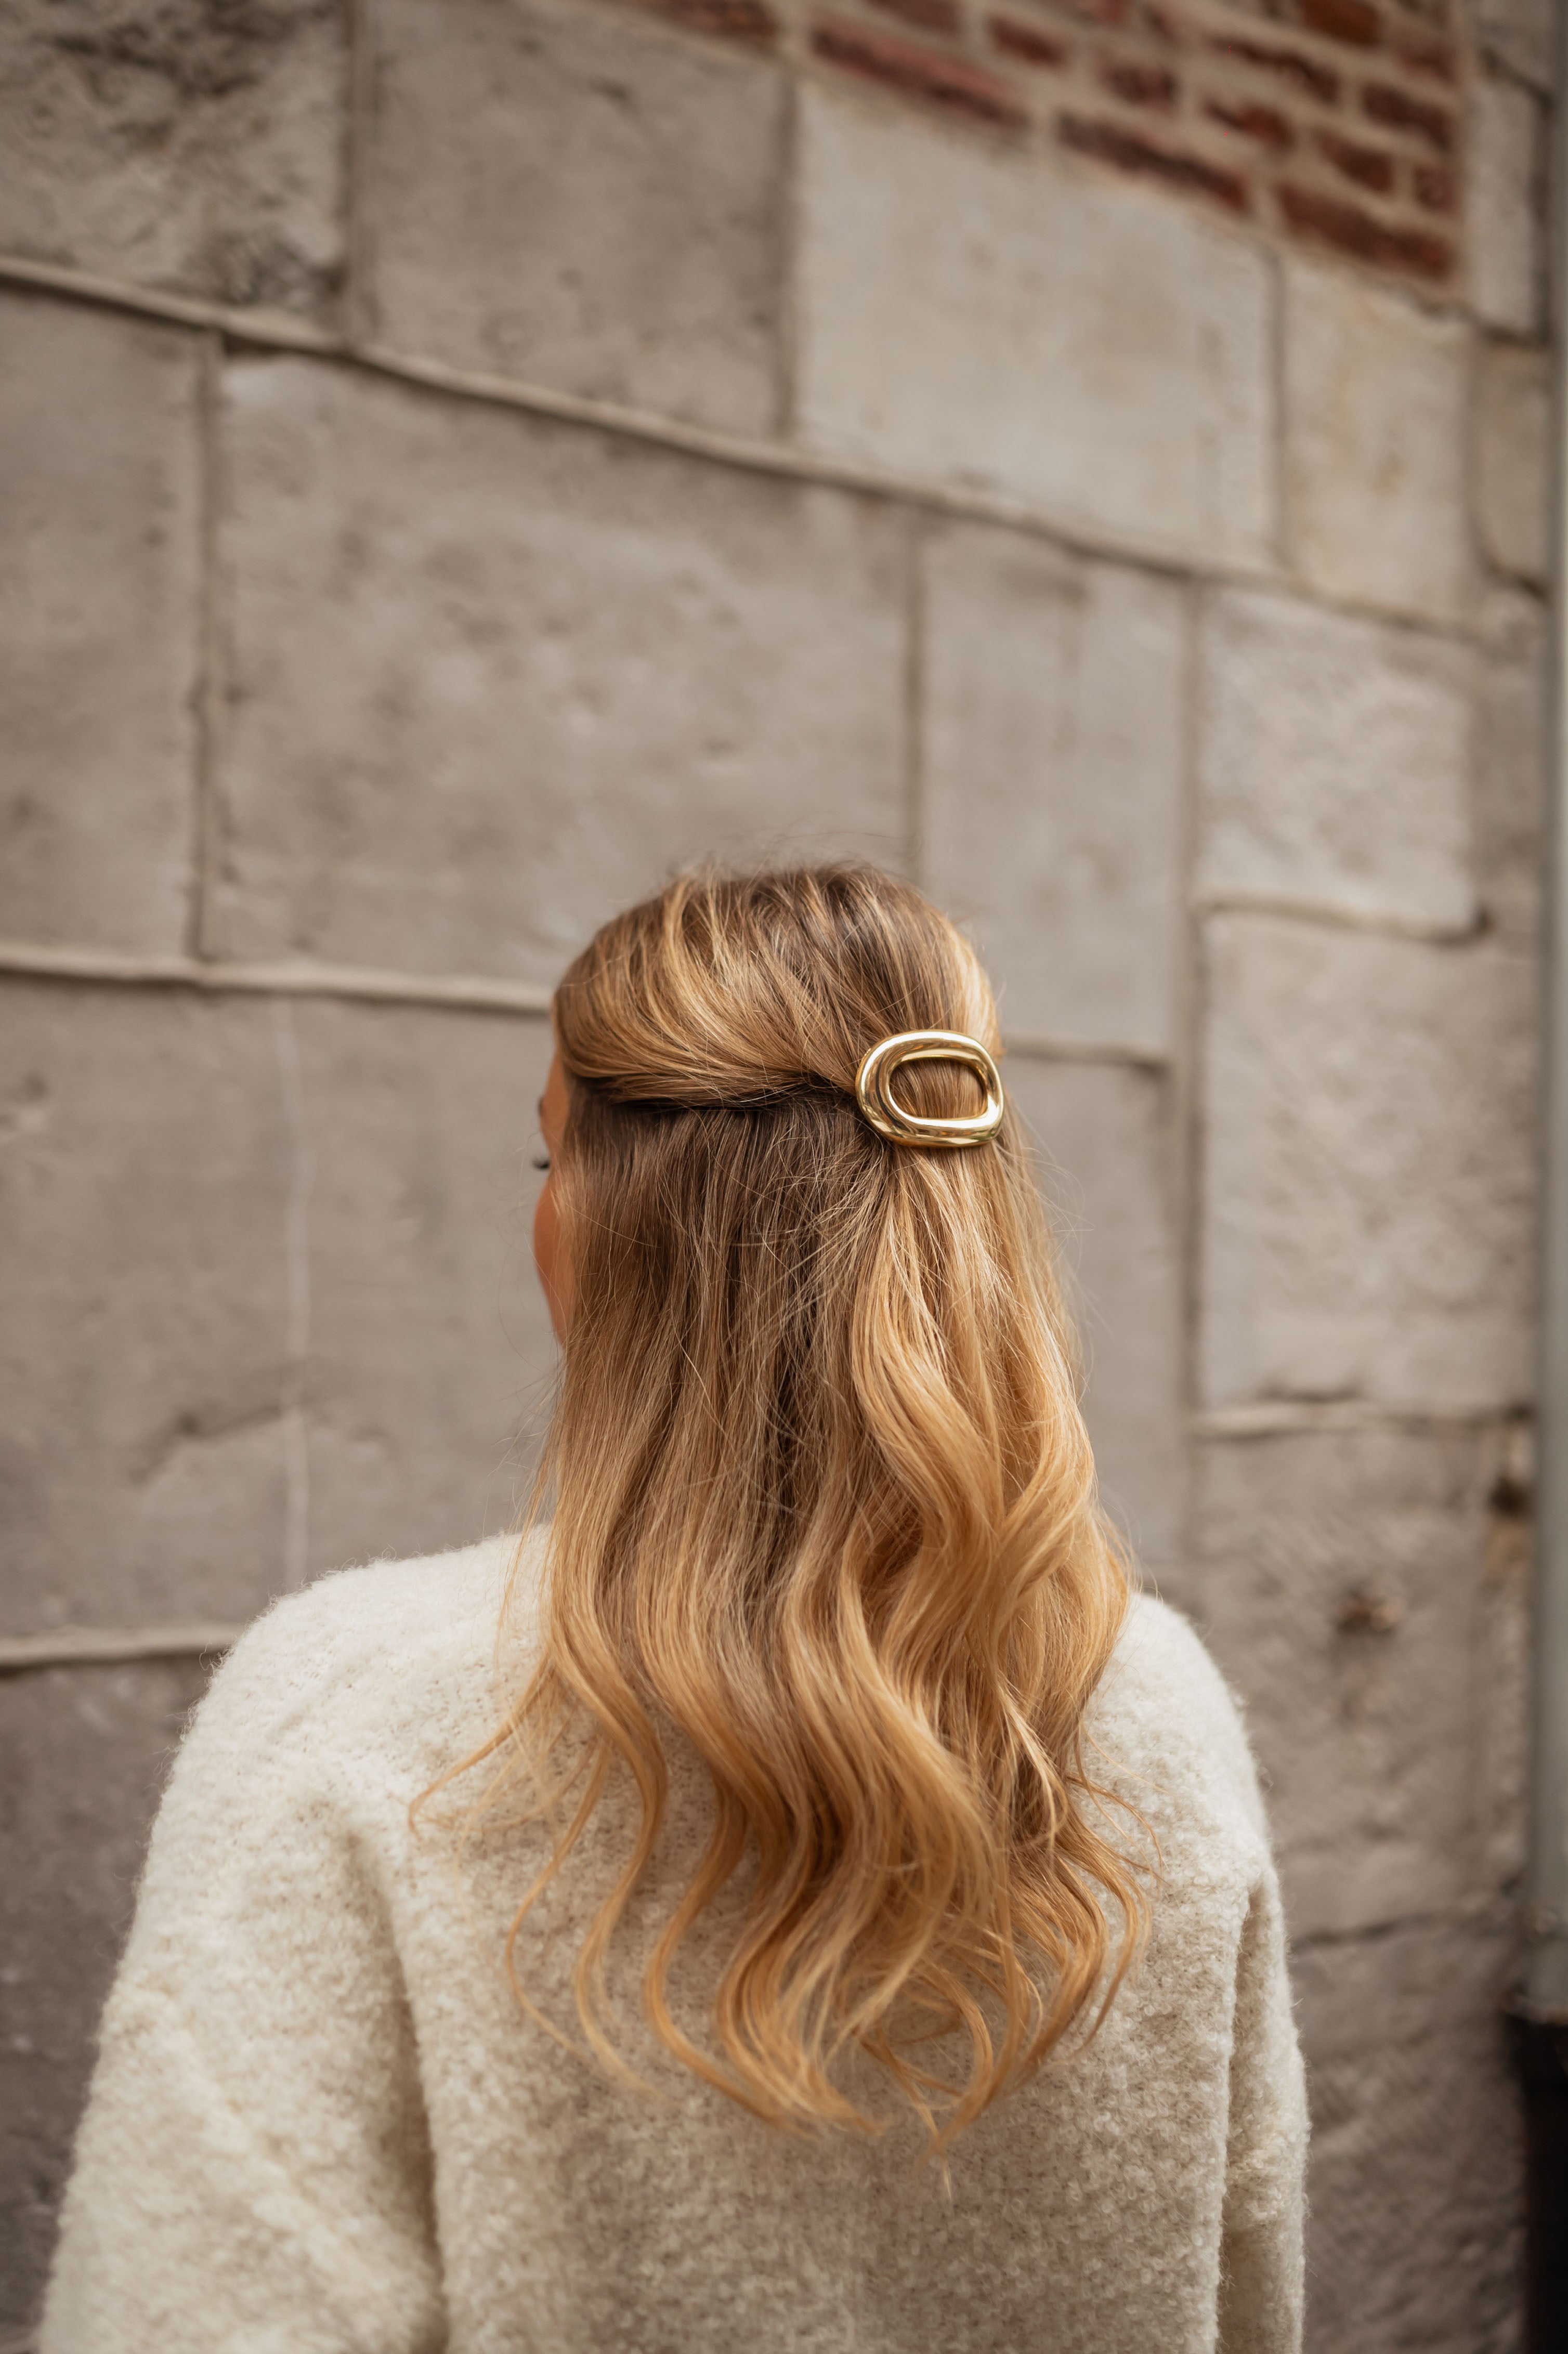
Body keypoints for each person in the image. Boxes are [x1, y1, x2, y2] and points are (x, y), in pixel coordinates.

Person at [42, 865, 1306, 2353]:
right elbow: (1250, 2293)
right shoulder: (1144, 1698)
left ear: (621, 1223)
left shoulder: (356, 1713)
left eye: (549, 1163)